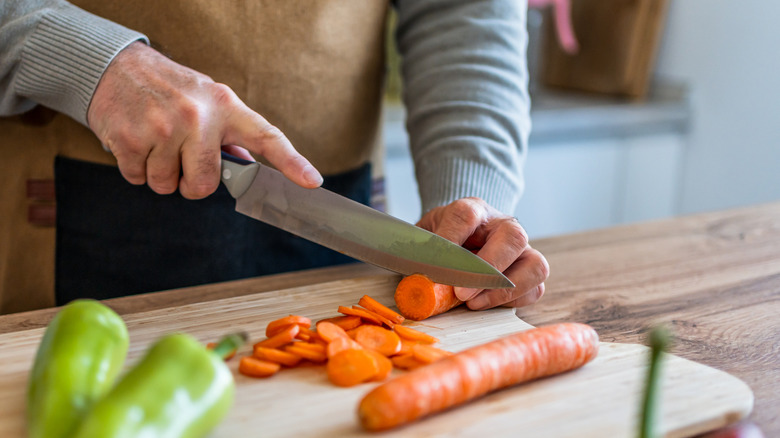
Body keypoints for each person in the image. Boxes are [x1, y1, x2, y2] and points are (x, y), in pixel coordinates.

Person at [0, 0, 548, 314]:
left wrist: (471, 200)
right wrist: (94, 67)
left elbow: (461, 14)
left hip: (340, 209)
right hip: (65, 206)